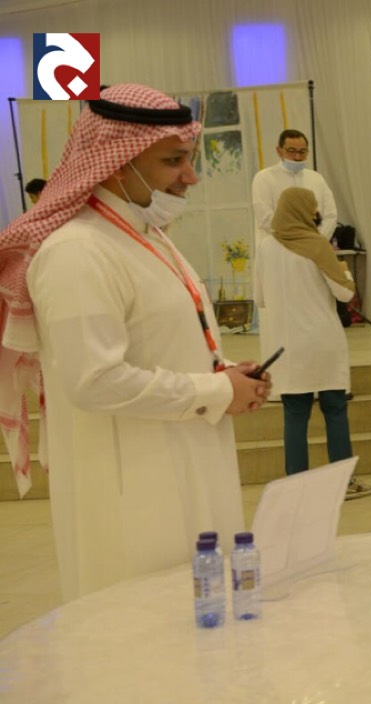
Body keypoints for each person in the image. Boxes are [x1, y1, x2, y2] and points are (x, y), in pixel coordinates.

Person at [0, 84, 270, 601]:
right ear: (117, 165)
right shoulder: (76, 251)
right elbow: (94, 381)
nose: (190, 176)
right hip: (134, 488)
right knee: (143, 621)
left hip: (189, 455)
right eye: (173, 161)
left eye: (188, 159)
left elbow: (164, 342)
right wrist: (215, 391)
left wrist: (227, 375)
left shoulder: (144, 235)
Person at [255, 186, 371, 499]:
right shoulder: (317, 244)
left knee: (295, 414)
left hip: (285, 347)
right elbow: (344, 294)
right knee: (334, 411)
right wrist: (345, 274)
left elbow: (260, 298)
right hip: (321, 342)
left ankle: (295, 486)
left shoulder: (265, 247)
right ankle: (343, 483)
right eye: (312, 208)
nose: (315, 213)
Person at [251, 129, 338, 246]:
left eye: (302, 152)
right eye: (291, 151)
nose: (297, 157)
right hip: (277, 246)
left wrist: (317, 239)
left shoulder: (316, 178)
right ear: (279, 151)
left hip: (312, 246)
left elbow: (330, 215)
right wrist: (296, 240)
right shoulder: (265, 178)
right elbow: (265, 218)